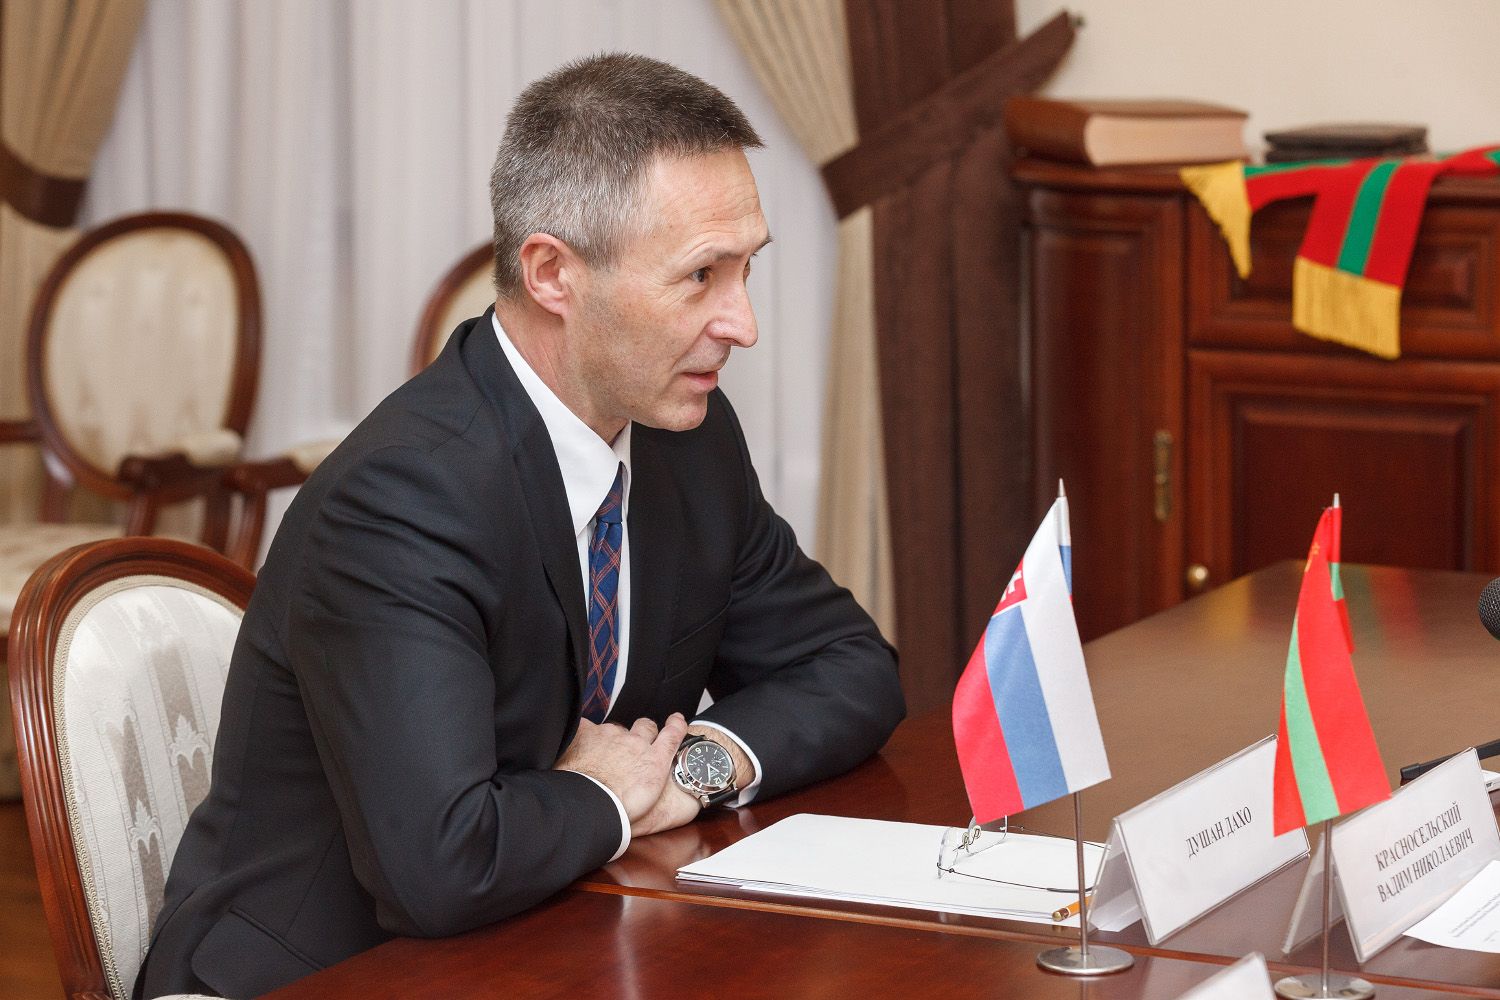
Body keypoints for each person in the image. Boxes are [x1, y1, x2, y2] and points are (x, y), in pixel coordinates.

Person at [136, 52, 904, 999]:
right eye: (701, 275)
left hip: (551, 934)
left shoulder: (688, 442)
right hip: (321, 971)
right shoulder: (402, 498)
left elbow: (852, 666)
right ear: (551, 274)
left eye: (746, 270)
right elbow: (441, 865)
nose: (741, 323)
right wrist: (601, 794)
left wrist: (687, 770)